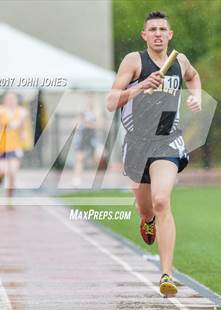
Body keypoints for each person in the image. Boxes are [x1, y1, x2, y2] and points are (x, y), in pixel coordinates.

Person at [106, 11, 202, 297]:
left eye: (163, 29)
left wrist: (195, 94)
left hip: (167, 142)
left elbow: (194, 77)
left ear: (170, 35)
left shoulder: (179, 60)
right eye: (153, 29)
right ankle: (146, 221)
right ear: (144, 35)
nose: (158, 33)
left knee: (162, 201)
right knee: (147, 209)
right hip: (137, 145)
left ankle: (166, 275)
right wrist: (138, 88)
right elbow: (111, 101)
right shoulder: (134, 61)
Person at [0, 91, 28, 202]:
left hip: (15, 147)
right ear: (4, 100)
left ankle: (10, 197)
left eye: (13, 99)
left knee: (13, 172)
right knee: (3, 170)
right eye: (8, 99)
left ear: (16, 100)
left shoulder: (22, 112)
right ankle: (0, 177)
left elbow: (23, 128)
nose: (10, 101)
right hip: (2, 147)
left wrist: (24, 134)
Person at [72, 93, 103, 187]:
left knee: (96, 159)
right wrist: (78, 124)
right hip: (82, 137)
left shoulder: (96, 111)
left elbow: (100, 124)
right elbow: (75, 123)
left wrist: (88, 124)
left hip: (92, 137)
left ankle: (96, 179)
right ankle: (77, 179)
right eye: (87, 99)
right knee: (79, 158)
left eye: (90, 99)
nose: (88, 101)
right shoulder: (81, 111)